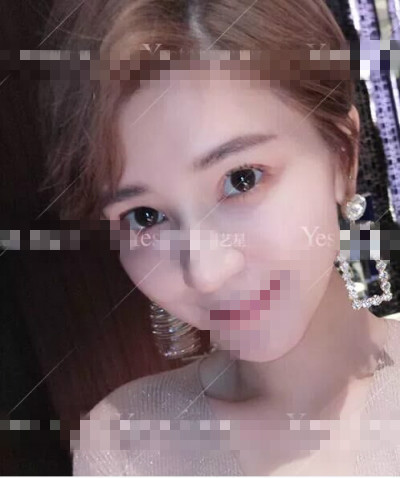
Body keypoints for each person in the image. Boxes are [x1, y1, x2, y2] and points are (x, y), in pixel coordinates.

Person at [41, 0, 400, 474]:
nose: (206, 273)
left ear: (342, 158)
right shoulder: (128, 443)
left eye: (241, 180)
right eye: (145, 216)